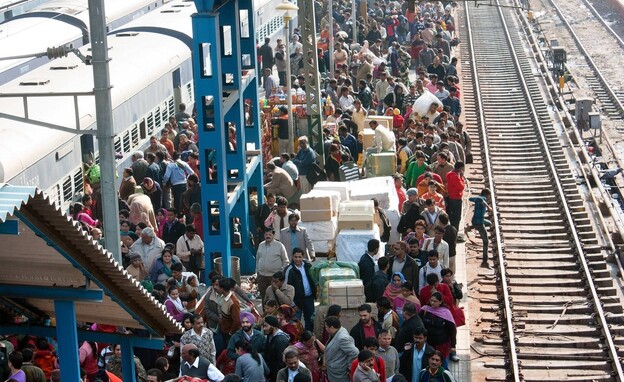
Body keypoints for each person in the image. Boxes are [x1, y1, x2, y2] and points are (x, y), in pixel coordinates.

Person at [419, 292, 457, 366]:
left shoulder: (446, 313)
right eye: (431, 300)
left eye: (435, 301)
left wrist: (453, 345)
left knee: (443, 364)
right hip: (428, 344)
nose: (432, 303)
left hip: (441, 344)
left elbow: (452, 330)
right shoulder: (424, 310)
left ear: (440, 302)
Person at [284, 248, 317, 331]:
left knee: (310, 320)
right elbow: (285, 288)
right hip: (296, 301)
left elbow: (314, 280)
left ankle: (308, 338)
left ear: (303, 257)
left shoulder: (308, 266)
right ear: (292, 257)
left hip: (309, 298)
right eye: (295, 257)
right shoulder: (289, 270)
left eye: (299, 257)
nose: (297, 259)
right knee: (296, 323)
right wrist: (292, 304)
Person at [256, 228, 289, 302]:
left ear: (273, 235)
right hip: (262, 276)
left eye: (270, 234)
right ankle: (266, 313)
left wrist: (281, 274)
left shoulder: (279, 245)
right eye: (266, 234)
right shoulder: (261, 245)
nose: (268, 236)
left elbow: (285, 260)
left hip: (274, 278)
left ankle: (275, 313)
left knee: (275, 298)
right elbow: (258, 259)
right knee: (264, 297)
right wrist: (257, 272)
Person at [323, 317, 359, 381]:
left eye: (326, 327)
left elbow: (355, 352)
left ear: (332, 327)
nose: (326, 329)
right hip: (334, 372)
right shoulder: (336, 332)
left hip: (340, 374)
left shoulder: (342, 338)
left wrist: (349, 368)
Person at [465, 188, 493, 268]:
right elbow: (482, 201)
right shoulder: (482, 199)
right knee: (486, 242)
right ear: (487, 195)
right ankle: (484, 262)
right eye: (489, 196)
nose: (489, 198)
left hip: (477, 220)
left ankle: (472, 226)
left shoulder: (478, 198)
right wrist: (487, 206)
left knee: (489, 223)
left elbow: (471, 198)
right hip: (479, 223)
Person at [262, 316, 291, 382]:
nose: (264, 328)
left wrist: (276, 377)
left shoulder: (280, 340)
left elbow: (281, 362)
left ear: (273, 327)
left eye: (266, 326)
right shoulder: (270, 335)